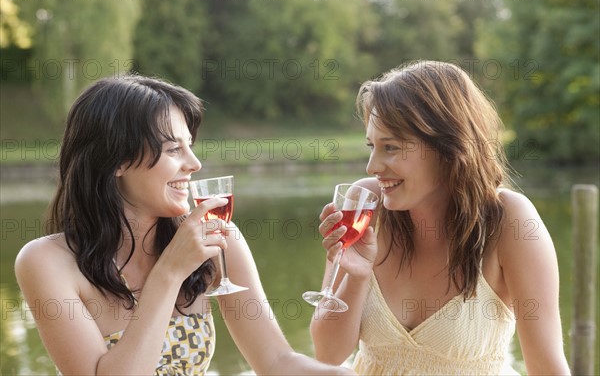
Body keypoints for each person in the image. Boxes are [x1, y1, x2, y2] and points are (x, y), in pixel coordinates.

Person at [15, 75, 354, 376]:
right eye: (174, 149)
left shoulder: (218, 240)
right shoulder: (47, 261)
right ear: (117, 160)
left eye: (189, 146)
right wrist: (169, 272)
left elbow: (277, 362)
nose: (194, 164)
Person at [309, 61, 571, 375]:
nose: (372, 166)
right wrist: (356, 274)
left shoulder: (510, 221)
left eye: (390, 147)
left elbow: (547, 368)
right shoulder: (365, 205)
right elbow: (328, 354)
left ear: (447, 146)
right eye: (371, 146)